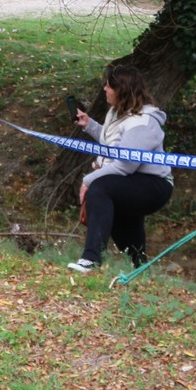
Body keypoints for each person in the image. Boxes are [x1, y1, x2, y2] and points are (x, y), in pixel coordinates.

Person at [67, 65, 173, 273]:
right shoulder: (117, 113)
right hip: (131, 180)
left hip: (154, 184)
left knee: (101, 189)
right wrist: (89, 124)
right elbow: (114, 144)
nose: (105, 89)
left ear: (121, 90)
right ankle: (140, 270)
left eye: (109, 86)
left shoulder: (143, 123)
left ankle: (91, 259)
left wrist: (88, 181)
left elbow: (124, 165)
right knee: (118, 215)